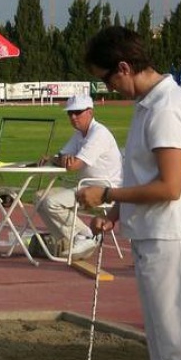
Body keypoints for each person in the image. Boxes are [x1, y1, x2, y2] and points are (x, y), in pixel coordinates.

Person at [77, 26, 181, 360]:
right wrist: (116, 213)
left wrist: (107, 195)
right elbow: (142, 172)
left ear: (123, 67)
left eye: (106, 79)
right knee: (163, 342)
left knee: (180, 346)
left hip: (175, 237)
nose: (107, 88)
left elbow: (170, 186)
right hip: (157, 235)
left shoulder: (166, 110)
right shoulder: (148, 105)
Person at [34, 94, 122, 259]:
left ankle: (86, 236)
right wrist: (57, 159)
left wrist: (57, 159)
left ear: (90, 112)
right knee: (40, 198)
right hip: (86, 185)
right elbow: (62, 156)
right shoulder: (79, 134)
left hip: (106, 189)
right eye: (70, 113)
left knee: (51, 202)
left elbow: (72, 165)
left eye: (77, 112)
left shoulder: (99, 134)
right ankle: (73, 238)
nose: (73, 117)